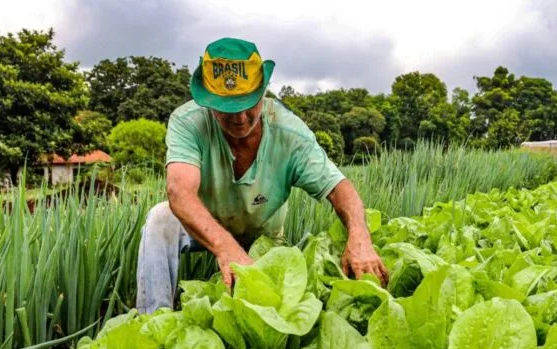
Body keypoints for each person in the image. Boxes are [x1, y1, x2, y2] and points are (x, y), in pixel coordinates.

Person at [136, 37, 388, 314]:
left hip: (263, 234)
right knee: (160, 220)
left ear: (263, 91)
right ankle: (153, 320)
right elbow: (179, 193)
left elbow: (339, 187)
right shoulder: (188, 123)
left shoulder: (289, 133)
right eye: (228, 108)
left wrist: (360, 236)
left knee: (265, 308)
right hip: (204, 224)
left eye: (249, 104)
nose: (241, 118)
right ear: (209, 101)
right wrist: (226, 248)